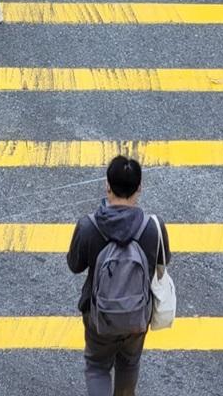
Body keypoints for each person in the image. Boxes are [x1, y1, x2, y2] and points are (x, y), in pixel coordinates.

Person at [67, 156, 170, 396]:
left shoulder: (89, 226)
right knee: (130, 362)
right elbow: (163, 262)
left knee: (97, 366)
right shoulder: (153, 226)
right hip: (137, 316)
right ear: (139, 188)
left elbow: (75, 265)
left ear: (107, 185)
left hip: (98, 315)